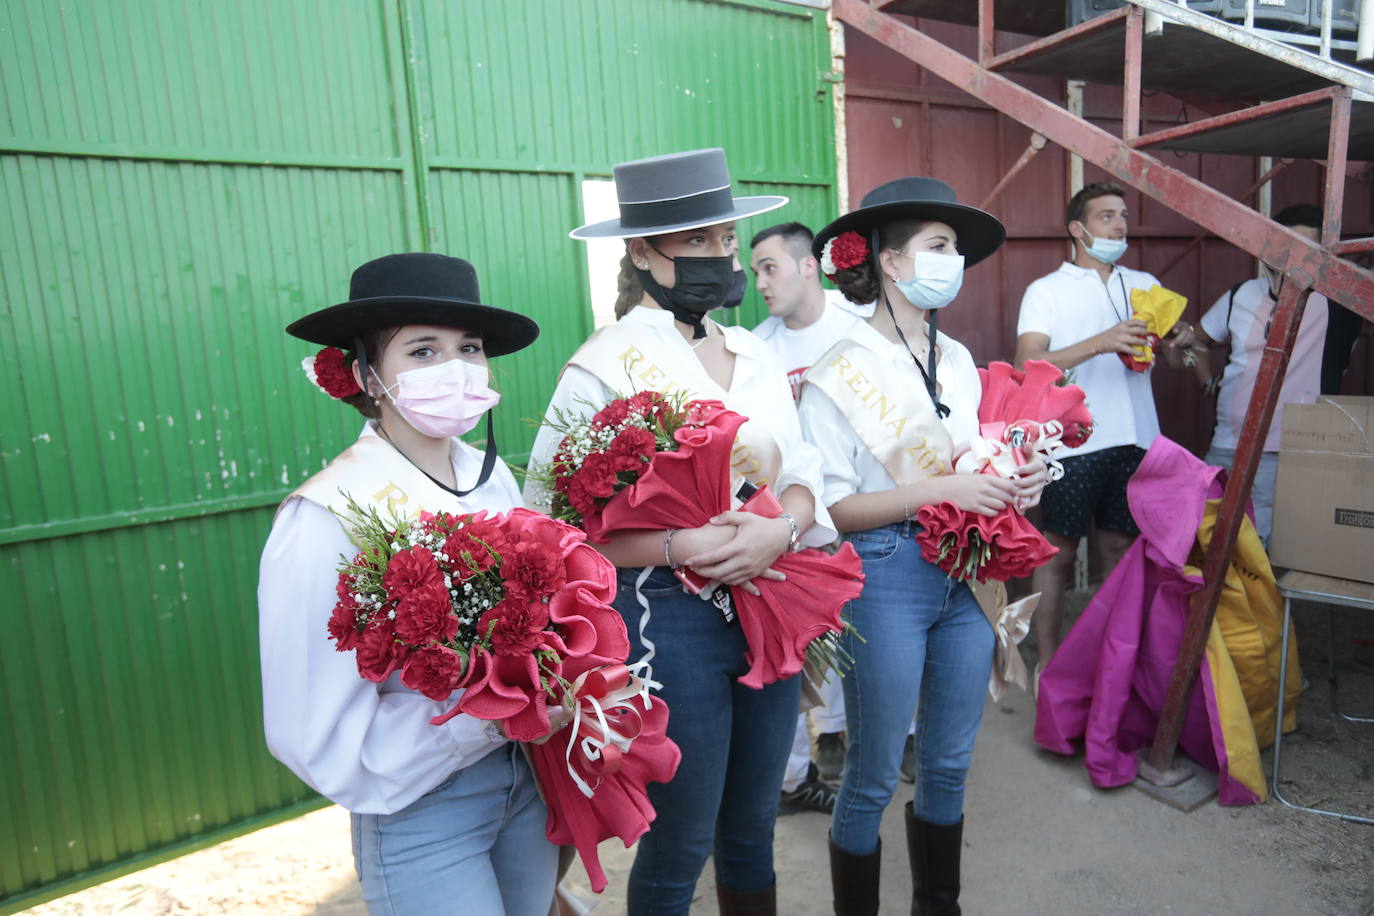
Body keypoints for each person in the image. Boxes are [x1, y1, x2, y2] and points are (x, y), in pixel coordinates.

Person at [526, 148, 836, 916]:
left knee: (753, 828)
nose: (720, 258)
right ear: (642, 251)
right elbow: (557, 529)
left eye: (726, 240)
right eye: (697, 242)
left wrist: (784, 531)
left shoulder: (754, 353)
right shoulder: (601, 369)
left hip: (774, 599)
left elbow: (803, 470)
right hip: (667, 617)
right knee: (680, 837)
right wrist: (675, 547)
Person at [259, 252, 560, 916]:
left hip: (525, 783)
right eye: (423, 351)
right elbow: (308, 728)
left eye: (469, 349)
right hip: (421, 807)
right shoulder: (327, 513)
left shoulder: (494, 478)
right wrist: (483, 722)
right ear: (366, 374)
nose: (454, 369)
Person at [799, 178, 1048, 915]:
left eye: (955, 250)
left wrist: (1019, 477)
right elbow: (835, 511)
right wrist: (938, 494)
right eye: (938, 247)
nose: (953, 261)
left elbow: (975, 460)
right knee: (873, 772)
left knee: (949, 761)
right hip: (884, 573)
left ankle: (939, 905)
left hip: (966, 573)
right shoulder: (835, 373)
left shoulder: (961, 359)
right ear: (891, 263)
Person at [1013, 182, 1194, 666]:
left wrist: (1181, 346)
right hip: (1070, 443)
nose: (1120, 226)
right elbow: (1027, 363)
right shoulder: (1045, 291)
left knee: (1121, 551)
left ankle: (1115, 662)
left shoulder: (1144, 284)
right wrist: (1100, 342)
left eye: (1123, 216)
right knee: (1058, 554)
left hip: (1137, 438)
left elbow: (1175, 364)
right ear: (1077, 229)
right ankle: (1049, 662)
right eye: (1107, 217)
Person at [749, 221, 857, 802]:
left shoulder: (859, 327)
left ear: (809, 265)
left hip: (862, 509)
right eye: (756, 271)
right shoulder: (756, 349)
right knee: (804, 642)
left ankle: (848, 734)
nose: (760, 283)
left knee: (862, 635)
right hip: (795, 519)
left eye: (770, 267)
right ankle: (802, 765)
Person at [1189, 204, 1329, 546]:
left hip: (1281, 448)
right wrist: (1206, 380)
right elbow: (1194, 343)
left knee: (1260, 544)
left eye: (1306, 250)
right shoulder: (1241, 295)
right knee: (1206, 533)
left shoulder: (1331, 302)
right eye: (1287, 248)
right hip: (1226, 443)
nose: (1295, 260)